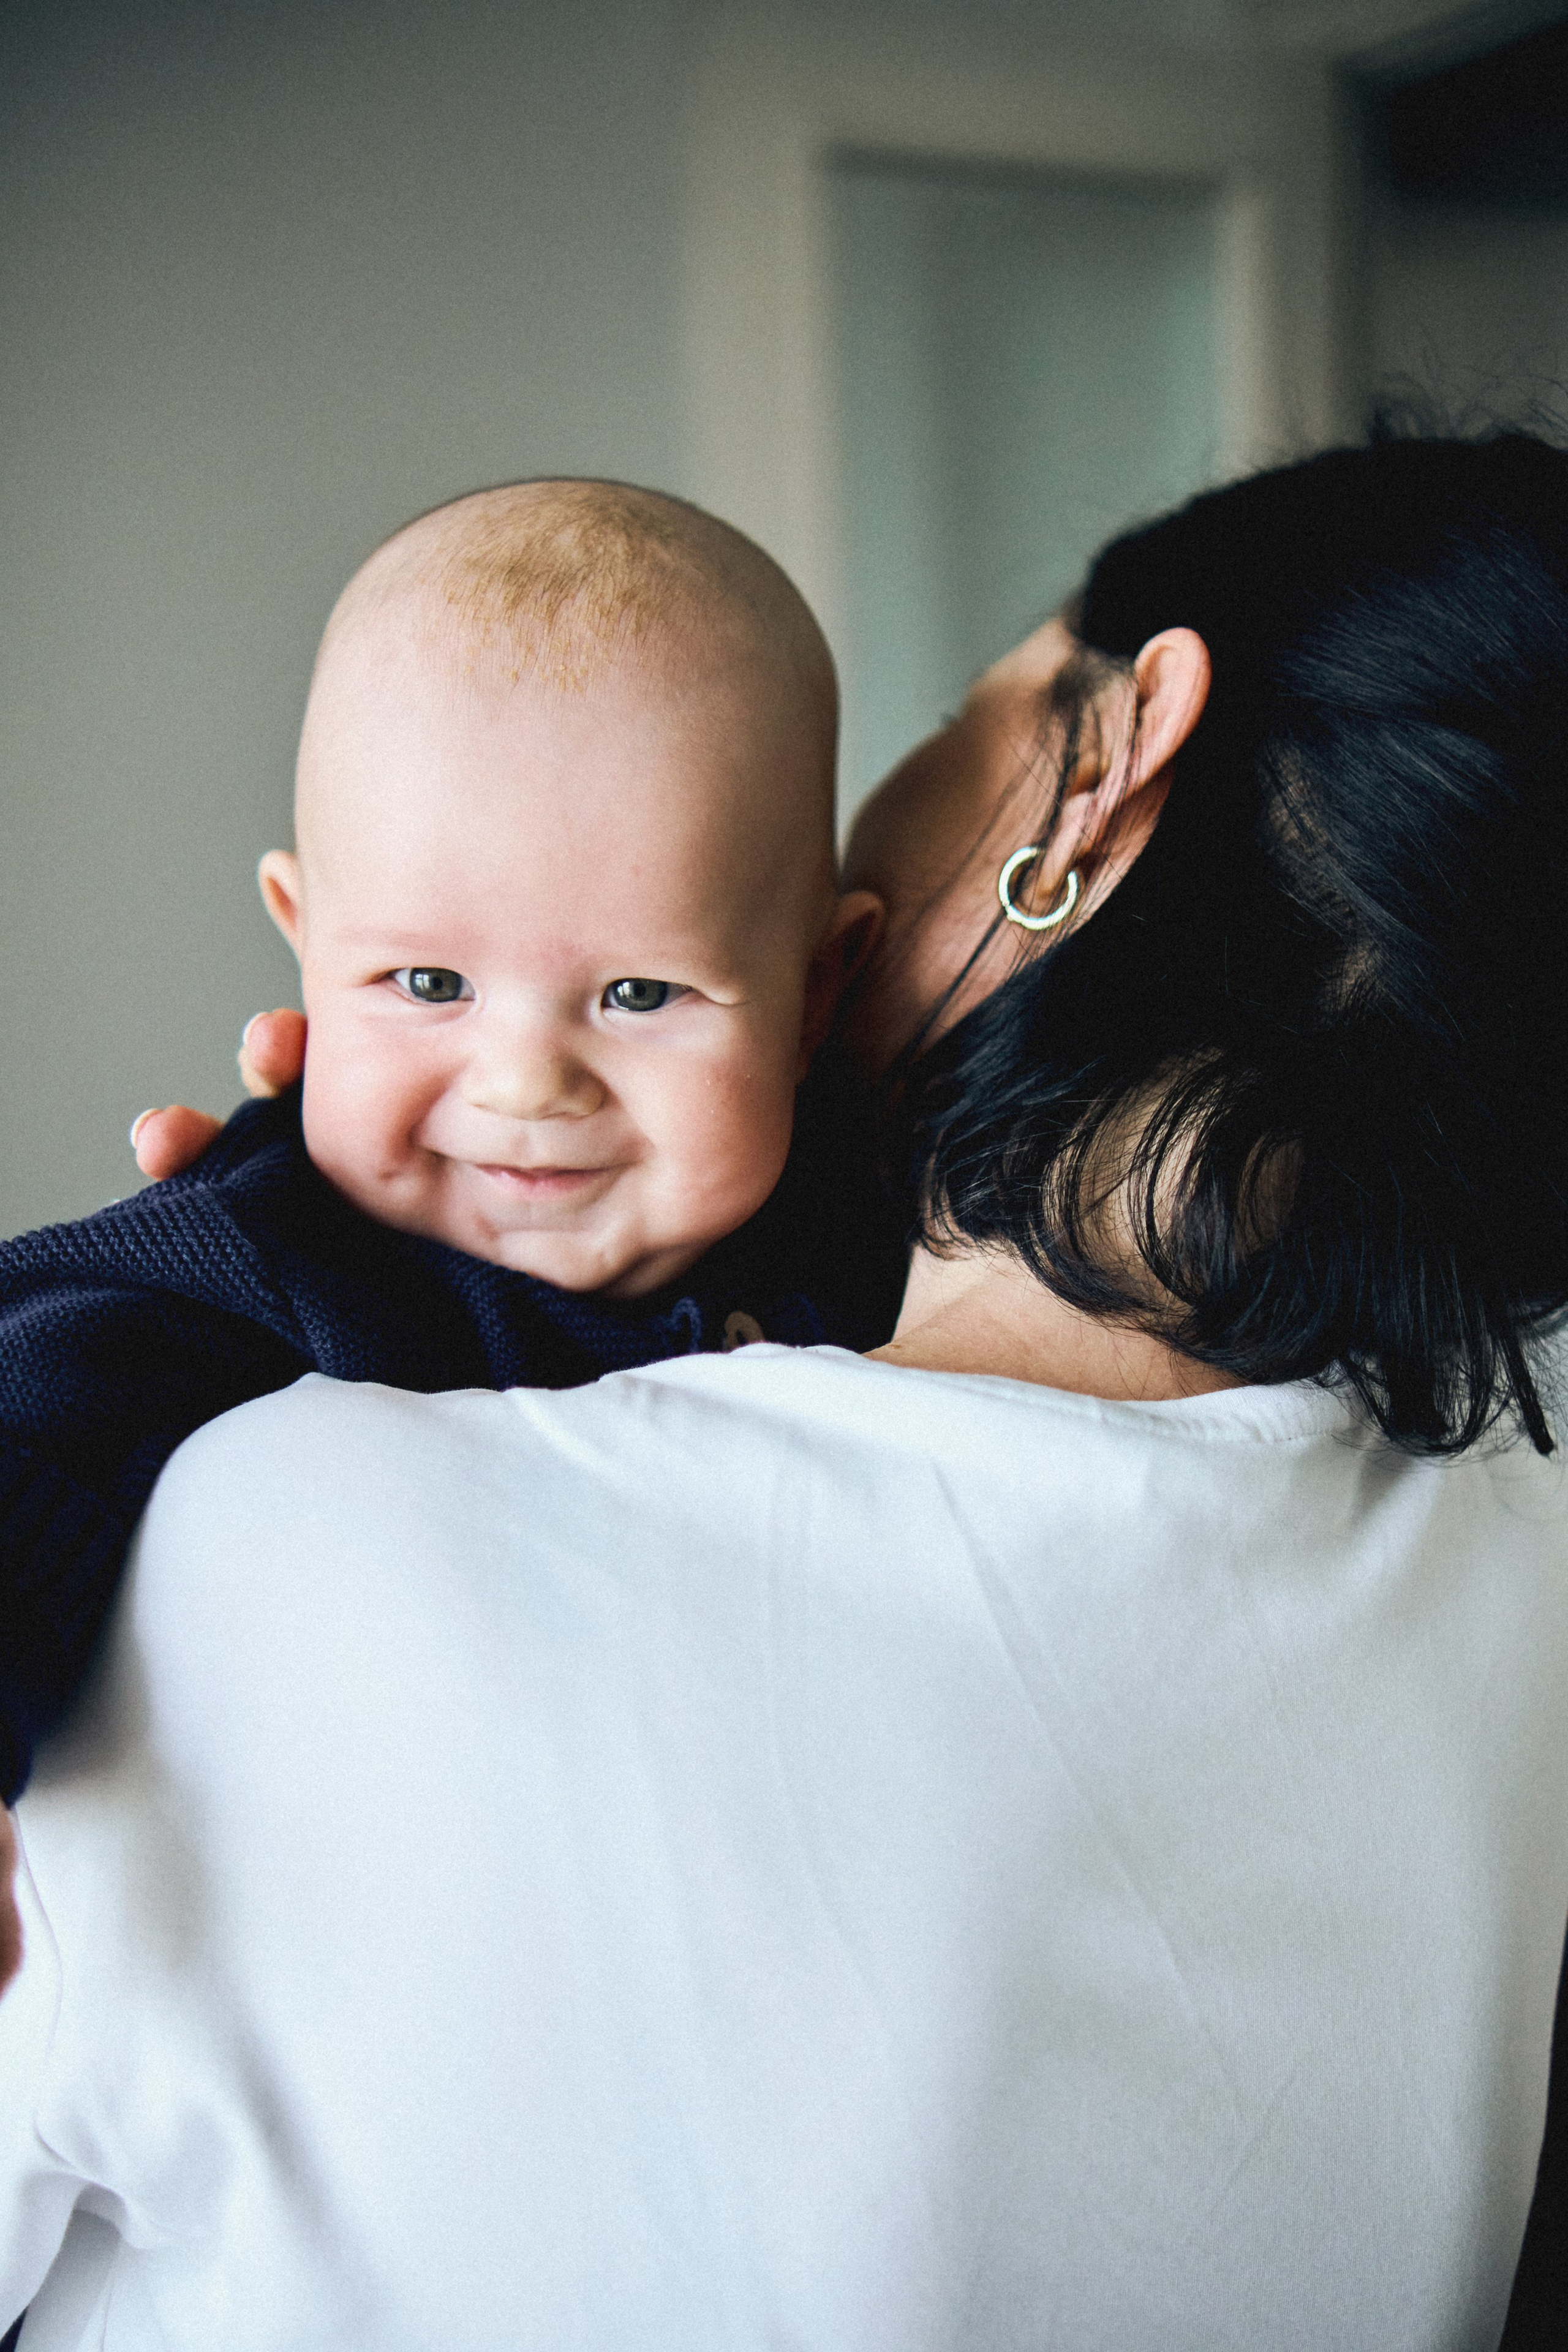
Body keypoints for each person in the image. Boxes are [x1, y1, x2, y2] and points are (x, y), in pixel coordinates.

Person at [4, 429, 1567, 2347]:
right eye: (427, 984)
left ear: (1103, 763)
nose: (527, 1082)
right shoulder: (1514, 1567)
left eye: (969, 705)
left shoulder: (276, 1534)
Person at [0, 478, 898, 1807]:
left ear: (817, 991)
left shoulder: (899, 1224)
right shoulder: (268, 1248)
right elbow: (26, 1407)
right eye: (427, 985)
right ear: (305, 944)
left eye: (637, 995)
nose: (526, 1083)